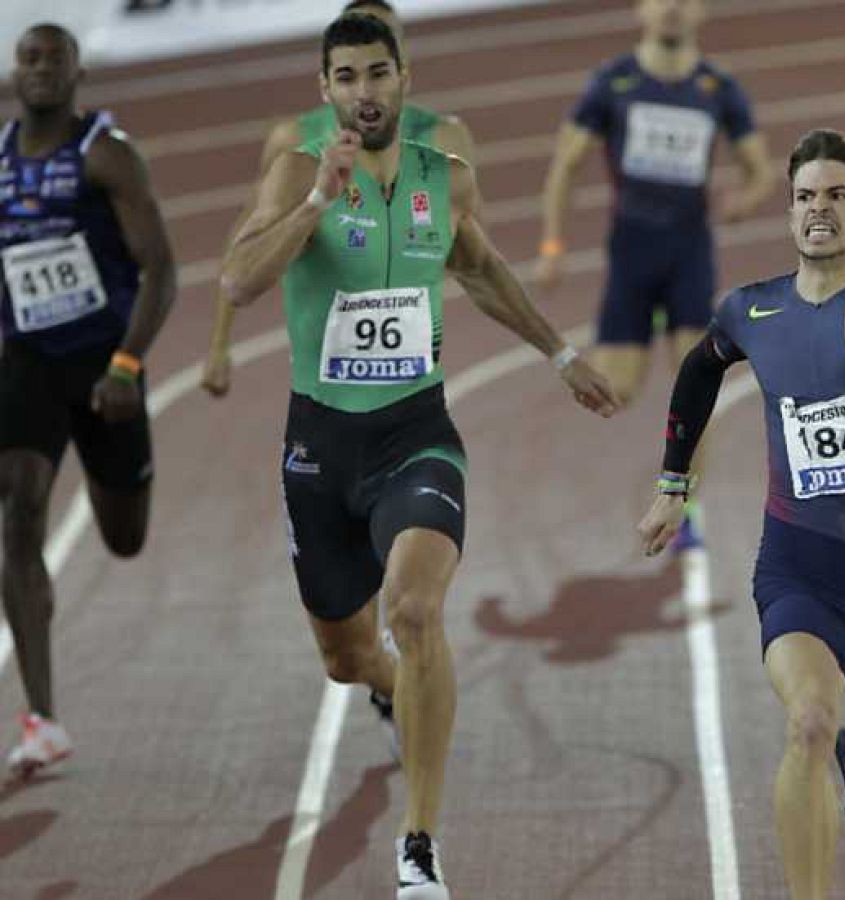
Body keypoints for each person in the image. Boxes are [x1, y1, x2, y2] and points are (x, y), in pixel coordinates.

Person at [220, 15, 617, 899]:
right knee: (345, 657)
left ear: (405, 80)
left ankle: (420, 844)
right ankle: (397, 689)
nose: (365, 92)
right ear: (325, 89)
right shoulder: (298, 167)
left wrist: (560, 356)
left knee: (415, 607)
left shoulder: (446, 176)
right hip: (320, 448)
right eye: (347, 77)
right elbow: (239, 279)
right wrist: (318, 201)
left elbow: (480, 270)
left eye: (378, 74)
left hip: (417, 435)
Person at [637, 129, 845, 900]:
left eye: (837, 195)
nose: (818, 209)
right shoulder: (754, 308)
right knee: (809, 722)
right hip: (798, 565)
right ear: (789, 212)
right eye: (805, 197)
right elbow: (697, 372)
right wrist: (672, 483)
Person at [0, 23, 177, 777]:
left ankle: (121, 473)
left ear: (77, 73)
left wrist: (129, 365)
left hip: (106, 367)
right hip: (30, 360)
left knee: (124, 537)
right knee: (21, 508)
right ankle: (42, 718)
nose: (40, 70)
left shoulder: (108, 153)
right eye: (28, 58)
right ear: (14, 72)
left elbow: (161, 270)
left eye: (55, 59)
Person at [538, 0, 774, 547]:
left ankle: (683, 508)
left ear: (701, 13)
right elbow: (564, 165)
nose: (672, 9)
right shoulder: (613, 84)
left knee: (699, 385)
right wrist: (553, 244)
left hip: (689, 255)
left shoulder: (718, 88)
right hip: (631, 257)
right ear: (642, 10)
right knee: (615, 390)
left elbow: (760, 169)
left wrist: (747, 198)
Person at [201, 0, 476, 398]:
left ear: (400, 59)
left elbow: (471, 251)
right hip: (325, 359)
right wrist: (219, 345)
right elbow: (247, 239)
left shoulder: (443, 138)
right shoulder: (295, 141)